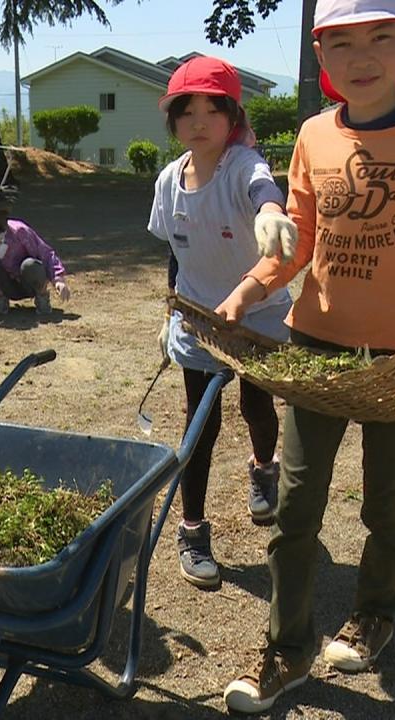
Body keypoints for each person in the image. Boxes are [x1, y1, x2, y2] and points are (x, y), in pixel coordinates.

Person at [215, 0, 395, 712]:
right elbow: (297, 240)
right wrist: (246, 291)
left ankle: (376, 610)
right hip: (318, 350)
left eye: (379, 38)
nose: (361, 57)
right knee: (296, 504)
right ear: (319, 54)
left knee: (387, 501)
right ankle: (286, 648)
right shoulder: (312, 133)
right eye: (340, 43)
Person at [146, 55, 298, 590]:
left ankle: (263, 469)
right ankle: (191, 529)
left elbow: (263, 189)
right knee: (199, 426)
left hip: (257, 314)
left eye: (213, 109)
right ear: (173, 121)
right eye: (186, 111)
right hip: (199, 319)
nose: (199, 121)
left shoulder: (242, 165)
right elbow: (176, 254)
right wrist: (171, 314)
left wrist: (271, 212)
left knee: (258, 403)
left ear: (232, 117)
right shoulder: (169, 181)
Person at [0, 186, 71, 315]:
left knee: (30, 264)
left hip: (28, 282)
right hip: (5, 286)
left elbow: (45, 252)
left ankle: (42, 296)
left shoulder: (20, 231)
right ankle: (0, 300)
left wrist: (58, 279)